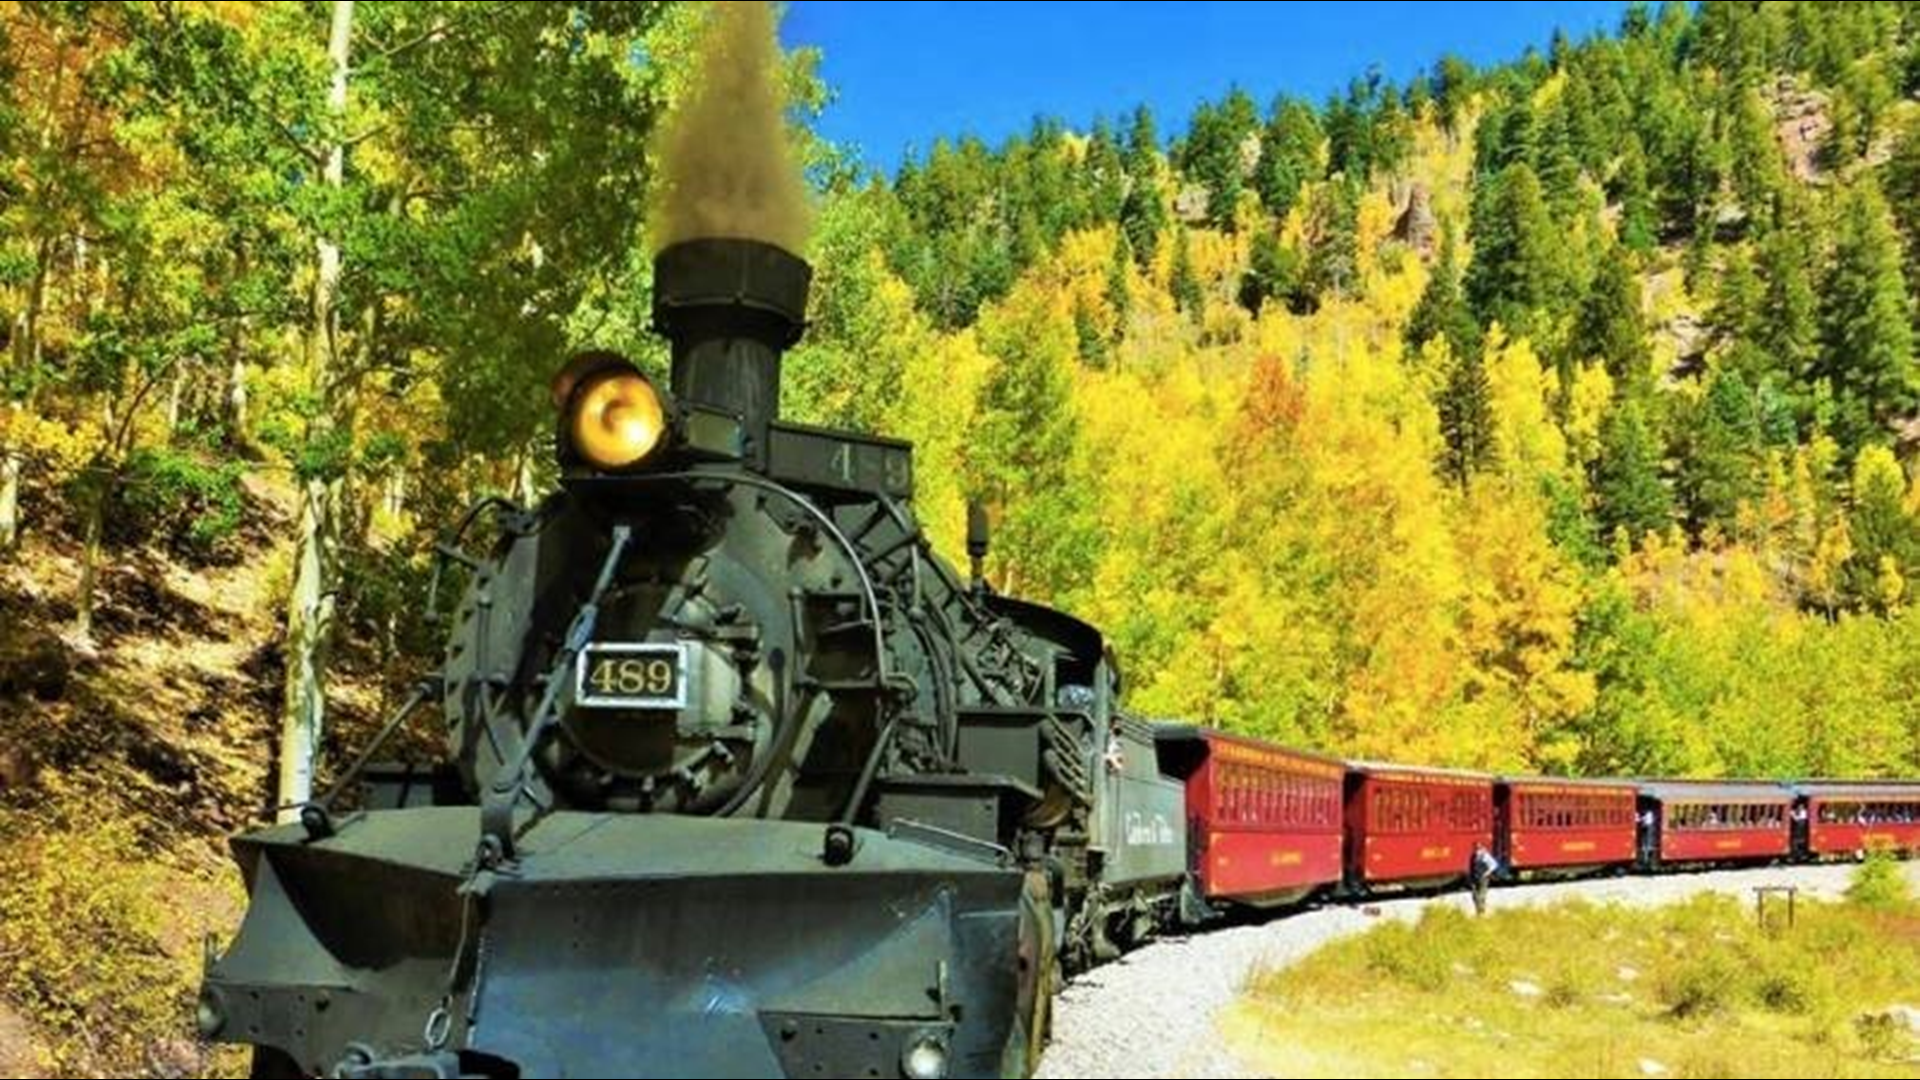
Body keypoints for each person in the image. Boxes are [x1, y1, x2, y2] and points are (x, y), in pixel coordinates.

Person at [1469, 842, 1498, 916]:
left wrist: (1487, 873)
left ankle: (1481, 912)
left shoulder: (1485, 855)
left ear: (1481, 848)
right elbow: (1471, 867)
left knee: (1481, 895)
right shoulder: (1473, 856)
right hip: (1475, 877)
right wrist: (1470, 876)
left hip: (1483, 878)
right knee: (1475, 895)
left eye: (1478, 848)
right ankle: (1478, 910)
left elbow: (1494, 864)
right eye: (1475, 848)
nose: (1476, 849)